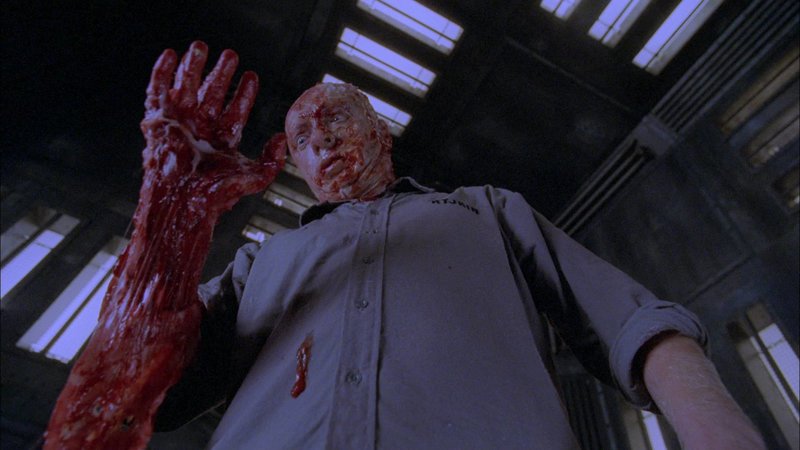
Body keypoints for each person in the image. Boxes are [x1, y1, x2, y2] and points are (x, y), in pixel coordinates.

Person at [152, 42, 765, 450]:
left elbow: (635, 323)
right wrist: (168, 218)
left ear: (380, 131)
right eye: (301, 140)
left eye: (334, 118)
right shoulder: (257, 262)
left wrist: (720, 436)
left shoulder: (487, 211)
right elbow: (144, 389)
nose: (320, 142)